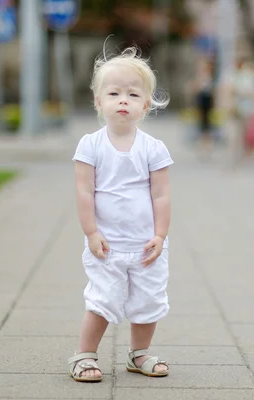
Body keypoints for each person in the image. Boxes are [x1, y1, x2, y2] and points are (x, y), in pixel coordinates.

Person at [69, 46, 172, 382]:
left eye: (132, 94)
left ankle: (139, 353)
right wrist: (91, 232)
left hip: (144, 244)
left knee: (148, 301)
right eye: (114, 93)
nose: (123, 100)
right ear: (99, 102)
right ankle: (84, 355)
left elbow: (161, 194)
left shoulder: (153, 148)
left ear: (146, 104)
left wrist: (159, 235)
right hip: (107, 243)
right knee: (102, 299)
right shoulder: (91, 145)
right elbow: (85, 192)